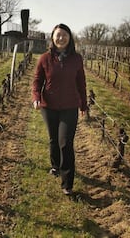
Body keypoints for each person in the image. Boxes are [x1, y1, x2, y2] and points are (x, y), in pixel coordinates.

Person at [32, 23, 87, 196]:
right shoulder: (44, 58)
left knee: (66, 143)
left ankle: (67, 184)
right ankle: (55, 166)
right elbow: (37, 81)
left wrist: (83, 104)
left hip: (70, 107)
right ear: (52, 38)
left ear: (69, 38)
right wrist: (36, 98)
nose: (61, 38)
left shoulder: (76, 58)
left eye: (64, 35)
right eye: (58, 35)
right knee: (53, 139)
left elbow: (81, 83)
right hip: (49, 107)